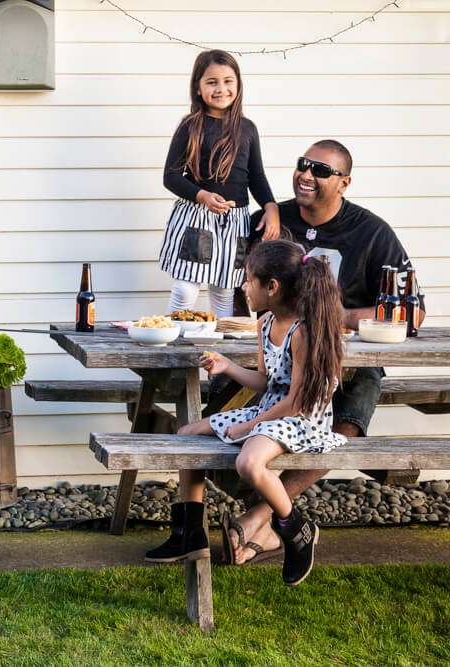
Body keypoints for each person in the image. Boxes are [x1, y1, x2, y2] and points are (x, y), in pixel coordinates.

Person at [223, 139, 426, 565]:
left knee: (344, 424)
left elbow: (413, 313)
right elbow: (241, 292)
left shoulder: (372, 232)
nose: (306, 175)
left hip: (345, 361)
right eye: (303, 165)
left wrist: (334, 317)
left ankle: (259, 519)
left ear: (344, 183)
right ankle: (257, 519)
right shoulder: (270, 220)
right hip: (276, 356)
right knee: (218, 401)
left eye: (320, 170)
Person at [146, 240, 346, 586]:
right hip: (272, 411)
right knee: (186, 435)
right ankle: (191, 533)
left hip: (302, 419)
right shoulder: (265, 322)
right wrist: (228, 366)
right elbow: (266, 382)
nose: (243, 287)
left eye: (249, 280)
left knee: (249, 463)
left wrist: (249, 425)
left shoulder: (303, 332)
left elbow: (296, 402)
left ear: (272, 287)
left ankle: (295, 530)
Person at [158, 49, 280, 319]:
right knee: (186, 288)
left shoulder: (247, 129)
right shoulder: (190, 126)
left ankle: (223, 345)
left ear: (238, 84)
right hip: (198, 219)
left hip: (235, 222)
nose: (221, 89)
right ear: (198, 87)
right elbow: (171, 176)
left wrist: (271, 207)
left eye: (228, 81)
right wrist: (202, 195)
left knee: (224, 291)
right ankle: (173, 341)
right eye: (211, 82)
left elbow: (257, 177)